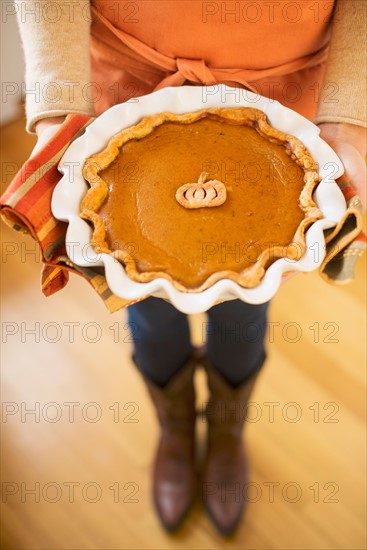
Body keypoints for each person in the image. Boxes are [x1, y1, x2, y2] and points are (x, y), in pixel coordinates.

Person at [15, 0, 366, 535]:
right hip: (125, 102)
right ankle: (175, 426)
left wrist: (350, 120)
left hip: (277, 108)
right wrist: (58, 106)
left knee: (246, 307)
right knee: (148, 308)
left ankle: (226, 429)